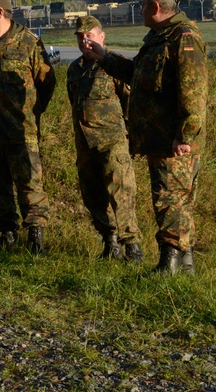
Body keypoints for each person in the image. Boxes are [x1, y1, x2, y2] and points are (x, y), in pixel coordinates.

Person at [81, 0, 208, 274]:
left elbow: (194, 92)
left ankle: (169, 263)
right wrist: (104, 57)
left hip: (173, 139)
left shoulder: (183, 37)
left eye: (141, 6)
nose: (138, 11)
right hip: (160, 137)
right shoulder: (158, 38)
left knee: (170, 198)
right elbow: (137, 74)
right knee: (174, 198)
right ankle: (184, 263)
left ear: (155, 7)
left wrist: (185, 135)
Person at [0, 0, 56, 255]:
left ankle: (35, 238)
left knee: (30, 185)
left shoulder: (28, 43)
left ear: (0, 12)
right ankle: (7, 233)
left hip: (20, 131)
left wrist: (30, 113)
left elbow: (47, 83)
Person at [66, 16, 142, 262]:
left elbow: (130, 102)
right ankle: (110, 245)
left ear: (101, 36)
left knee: (122, 194)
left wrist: (132, 138)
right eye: (80, 37)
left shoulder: (113, 65)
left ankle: (133, 247)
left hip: (112, 142)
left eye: (89, 36)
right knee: (92, 195)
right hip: (85, 143)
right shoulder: (74, 69)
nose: (84, 41)